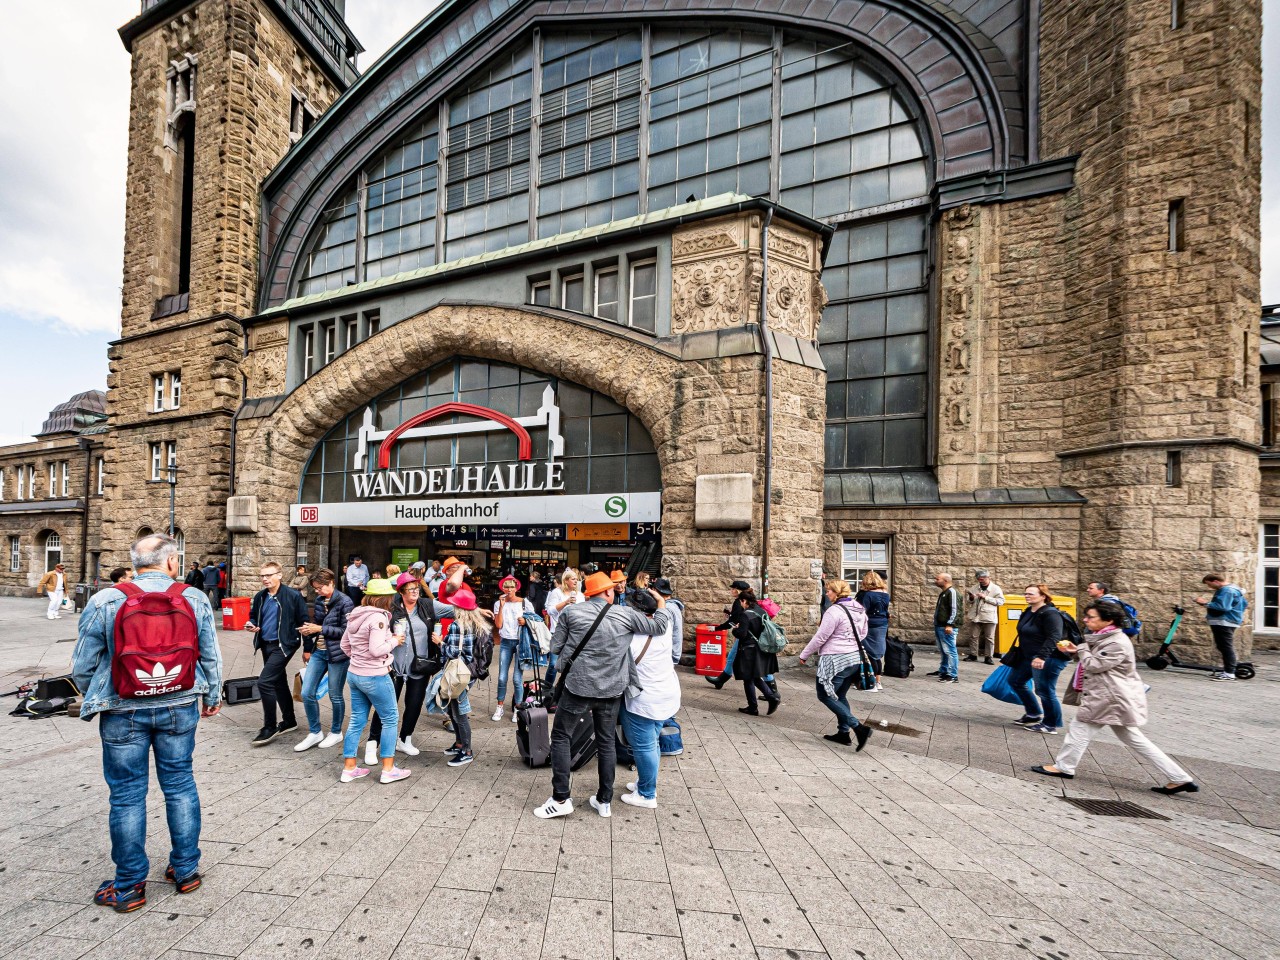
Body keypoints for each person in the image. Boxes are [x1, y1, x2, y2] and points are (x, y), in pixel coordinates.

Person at [71, 533, 222, 913]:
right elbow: (210, 656)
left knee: (126, 795)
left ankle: (129, 887)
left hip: (124, 708)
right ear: (172, 562)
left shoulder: (106, 599)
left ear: (135, 563)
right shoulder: (193, 597)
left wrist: (105, 692)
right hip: (180, 702)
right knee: (181, 784)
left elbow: (83, 665)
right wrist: (213, 696)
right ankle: (186, 871)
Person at [534, 573, 670, 820]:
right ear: (608, 593)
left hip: (578, 688)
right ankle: (604, 800)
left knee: (562, 737)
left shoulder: (571, 613)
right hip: (612, 690)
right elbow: (659, 627)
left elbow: (554, 648)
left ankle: (561, 797)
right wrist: (661, 603)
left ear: (588, 593)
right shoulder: (626, 615)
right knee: (606, 742)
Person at [1033, 601, 1199, 795]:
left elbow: (1094, 665)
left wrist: (1081, 648)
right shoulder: (1105, 638)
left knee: (1079, 729)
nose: (1086, 620)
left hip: (1109, 698)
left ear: (1109, 620)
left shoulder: (1116, 642)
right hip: (1111, 697)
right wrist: (1078, 649)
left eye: (1091, 617)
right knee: (1132, 738)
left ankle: (1064, 767)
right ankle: (1179, 778)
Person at [338, 583, 410, 784]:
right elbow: (377, 649)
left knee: (356, 720)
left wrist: (359, 660)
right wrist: (395, 640)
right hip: (375, 675)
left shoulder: (356, 615)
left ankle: (349, 768)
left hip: (354, 674)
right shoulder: (378, 617)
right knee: (390, 719)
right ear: (383, 598)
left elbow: (344, 645)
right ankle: (388, 769)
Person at [364, 573, 437, 762]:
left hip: (418, 667)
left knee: (413, 705)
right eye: (411, 589)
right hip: (393, 667)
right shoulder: (391, 608)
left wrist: (475, 609)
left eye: (417, 589)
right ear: (402, 591)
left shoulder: (426, 606)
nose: (415, 592)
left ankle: (405, 739)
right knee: (385, 707)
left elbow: (455, 609)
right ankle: (373, 742)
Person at [619, 589, 681, 807]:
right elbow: (662, 613)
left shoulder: (631, 640)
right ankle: (645, 781)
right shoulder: (665, 625)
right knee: (652, 742)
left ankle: (647, 794)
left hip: (644, 700)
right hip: (667, 693)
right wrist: (661, 600)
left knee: (644, 746)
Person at [798, 579, 872, 750]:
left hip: (834, 660)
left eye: (829, 591)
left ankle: (859, 728)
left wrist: (805, 654)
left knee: (824, 695)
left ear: (837, 592)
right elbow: (863, 633)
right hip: (853, 658)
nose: (827, 593)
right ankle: (843, 733)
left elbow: (821, 637)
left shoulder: (834, 611)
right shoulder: (859, 608)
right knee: (840, 695)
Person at [246, 560, 308, 746]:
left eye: (269, 575)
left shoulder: (293, 596)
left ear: (279, 575)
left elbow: (304, 622)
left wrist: (308, 649)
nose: (265, 579)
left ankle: (269, 726)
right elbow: (253, 615)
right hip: (266, 644)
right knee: (278, 681)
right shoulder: (260, 596)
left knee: (264, 682)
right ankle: (289, 720)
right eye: (262, 576)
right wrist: (252, 625)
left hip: (285, 645)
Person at [294, 568, 354, 752]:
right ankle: (315, 732)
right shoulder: (320, 601)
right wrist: (308, 633)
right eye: (315, 589)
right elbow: (318, 626)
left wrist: (318, 629)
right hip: (319, 651)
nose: (317, 592)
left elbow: (347, 632)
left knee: (335, 695)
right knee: (306, 692)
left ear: (331, 583)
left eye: (320, 588)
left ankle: (336, 732)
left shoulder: (346, 602)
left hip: (337, 654)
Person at [1008, 584, 1066, 734]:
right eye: (1025, 593)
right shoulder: (1028, 611)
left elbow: (1054, 637)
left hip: (1048, 658)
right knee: (1015, 680)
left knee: (1045, 690)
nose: (1027, 596)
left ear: (1043, 596)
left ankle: (1050, 724)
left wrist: (1041, 657)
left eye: (1031, 594)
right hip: (1028, 656)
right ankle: (1033, 713)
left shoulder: (1050, 614)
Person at [440, 586, 486, 767]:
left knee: (459, 712)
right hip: (468, 672)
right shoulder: (476, 624)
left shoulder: (456, 625)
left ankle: (466, 750)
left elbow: (454, 652)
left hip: (459, 673)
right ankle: (459, 744)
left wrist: (440, 642)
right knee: (453, 709)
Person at [720, 580, 780, 716]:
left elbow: (741, 634)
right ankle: (769, 698)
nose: (741, 604)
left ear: (744, 601)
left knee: (748, 678)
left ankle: (755, 706)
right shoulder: (760, 611)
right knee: (754, 677)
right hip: (760, 648)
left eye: (741, 602)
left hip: (749, 650)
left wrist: (735, 629)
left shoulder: (746, 614)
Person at [491, 575, 534, 722]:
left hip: (521, 642)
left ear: (516, 588)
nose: (509, 590)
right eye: (506, 587)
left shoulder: (524, 603)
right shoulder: (498, 604)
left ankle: (518, 708)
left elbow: (534, 620)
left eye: (511, 587)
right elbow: (498, 625)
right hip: (505, 642)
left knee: (517, 678)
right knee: (502, 677)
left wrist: (525, 621)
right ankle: (500, 707)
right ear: (502, 588)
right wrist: (502, 606)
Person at [1194, 573, 1248, 681]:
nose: (1209, 587)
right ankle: (1228, 670)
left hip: (1224, 621)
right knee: (1224, 646)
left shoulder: (1227, 590)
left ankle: (1229, 673)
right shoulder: (1234, 589)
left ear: (1216, 581)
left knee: (1226, 647)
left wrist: (1204, 603)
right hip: (1228, 620)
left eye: (1209, 585)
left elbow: (1223, 607)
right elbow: (1244, 604)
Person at [543, 568, 584, 687]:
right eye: (573, 579)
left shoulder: (580, 595)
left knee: (571, 664)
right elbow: (550, 611)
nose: (576, 582)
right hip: (557, 632)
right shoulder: (556, 592)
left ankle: (563, 690)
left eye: (577, 579)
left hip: (574, 633)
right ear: (566, 581)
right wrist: (565, 603)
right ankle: (547, 688)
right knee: (553, 664)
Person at [854, 572, 890, 687]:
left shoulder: (867, 595)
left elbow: (861, 611)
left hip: (870, 625)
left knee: (869, 653)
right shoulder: (885, 594)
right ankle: (878, 681)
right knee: (877, 653)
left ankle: (871, 681)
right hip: (882, 625)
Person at [962, 569, 1004, 665]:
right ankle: (973, 655)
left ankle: (988, 657)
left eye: (983, 579)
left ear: (988, 577)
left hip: (989, 616)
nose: (981, 581)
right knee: (973, 636)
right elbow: (969, 601)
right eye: (979, 579)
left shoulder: (996, 588)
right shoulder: (974, 587)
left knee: (989, 637)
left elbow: (1001, 602)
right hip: (975, 615)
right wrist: (971, 598)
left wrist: (986, 597)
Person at [931, 573, 961, 682]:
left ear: (946, 580)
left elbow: (955, 610)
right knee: (944, 650)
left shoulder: (952, 592)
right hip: (940, 625)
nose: (935, 580)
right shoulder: (944, 593)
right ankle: (943, 670)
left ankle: (952, 675)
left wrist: (950, 624)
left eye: (938, 579)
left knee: (950, 650)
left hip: (946, 627)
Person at [652, 578, 685, 664]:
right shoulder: (673, 606)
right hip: (672, 652)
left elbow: (662, 632)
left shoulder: (667, 608)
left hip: (668, 655)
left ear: (655, 591)